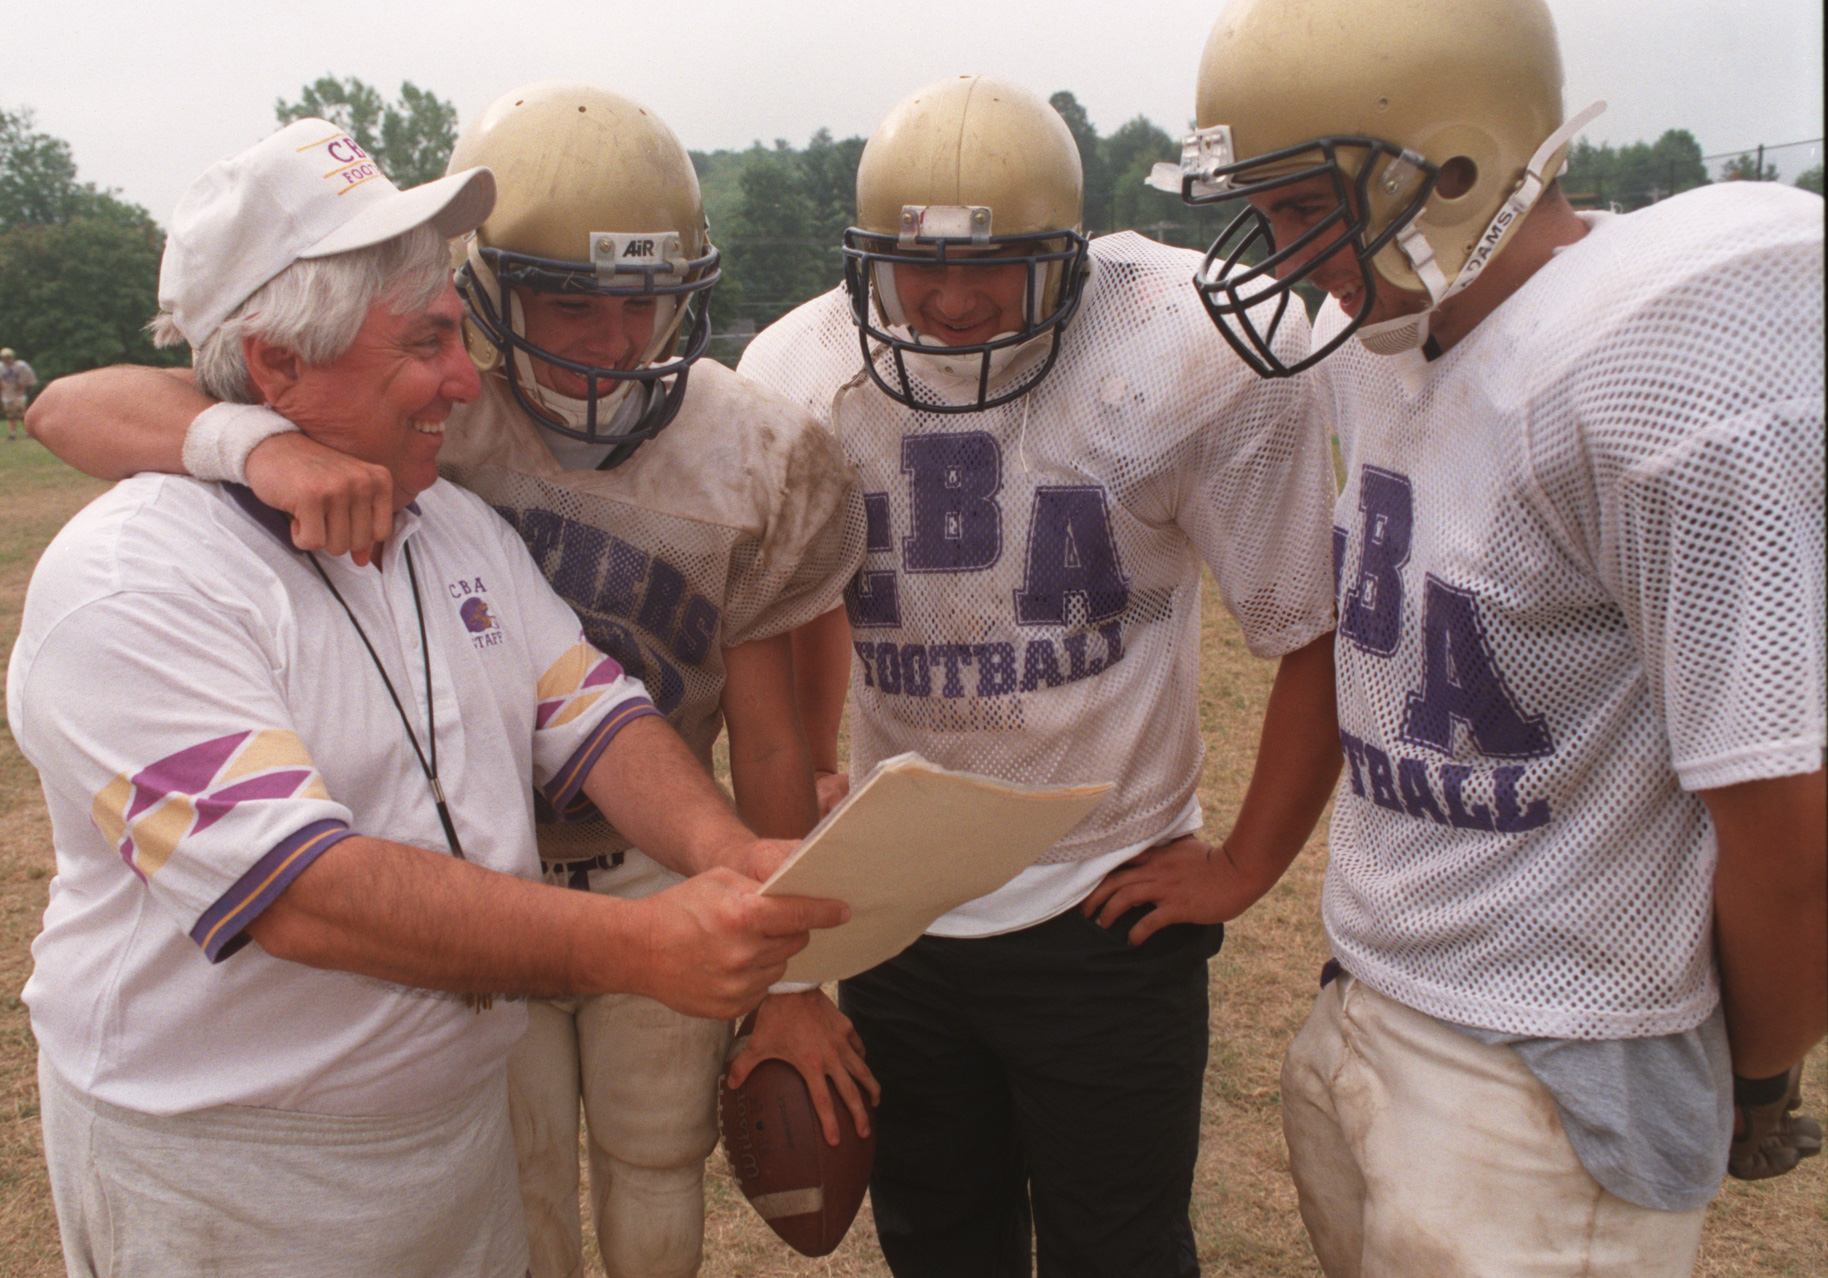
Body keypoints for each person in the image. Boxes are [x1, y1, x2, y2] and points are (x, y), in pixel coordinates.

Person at [26, 82, 875, 1278]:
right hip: (234, 1173)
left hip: (446, 1145)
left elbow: (593, 714)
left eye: (452, 332)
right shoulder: (133, 580)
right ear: (276, 366)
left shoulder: (447, 528)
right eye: (425, 343)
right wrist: (635, 948)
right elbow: (304, 892)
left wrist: (724, 853)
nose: (469, 381)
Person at [1161, 0, 1826, 1272]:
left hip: (1559, 1051)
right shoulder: (1404, 328)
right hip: (1373, 993)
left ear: (1456, 172)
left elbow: (1789, 836)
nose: (1283, 261)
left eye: (1305, 210)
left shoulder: (1652, 374)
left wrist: (1749, 1072)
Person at [737, 74, 1343, 1276]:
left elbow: (1312, 630)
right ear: (866, 260)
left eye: (995, 265)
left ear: (1065, 258)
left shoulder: (1188, 349)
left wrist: (1243, 864)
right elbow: (799, 605)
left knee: (1117, 1249)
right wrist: (814, 766)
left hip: (1105, 893)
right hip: (898, 905)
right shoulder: (800, 375)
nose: (954, 300)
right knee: (936, 1241)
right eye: (922, 268)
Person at [1, 347, 34, 439]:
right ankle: (12, 434)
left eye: (7, 357)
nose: (5, 359)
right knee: (10, 415)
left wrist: (23, 384)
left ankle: (28, 432)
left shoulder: (21, 366)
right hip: (6, 395)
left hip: (19, 395)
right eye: (3, 357)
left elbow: (30, 379)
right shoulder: (1, 367)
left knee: (22, 414)